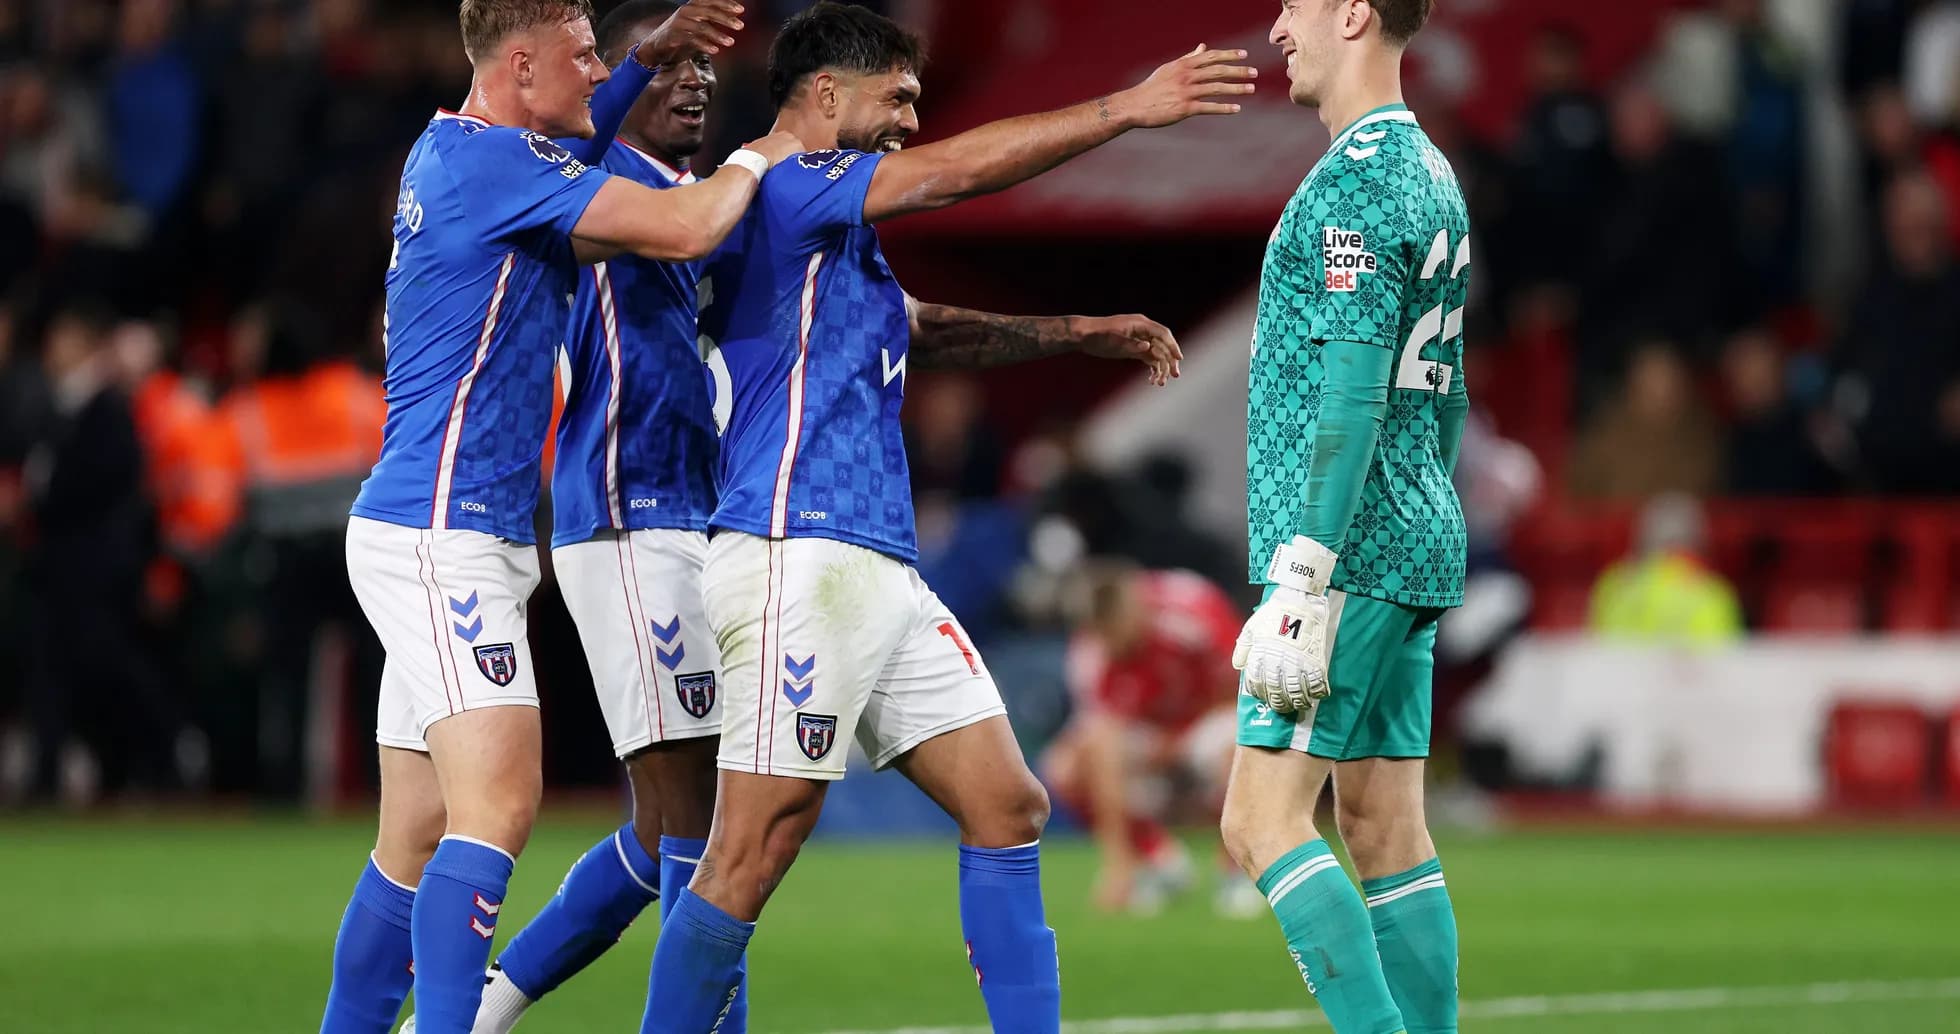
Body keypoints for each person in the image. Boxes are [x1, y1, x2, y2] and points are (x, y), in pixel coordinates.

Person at [637, 5, 1253, 1032]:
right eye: (897, 95)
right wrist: (1126, 109)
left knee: (1008, 803)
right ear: (825, 94)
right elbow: (954, 175)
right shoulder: (788, 182)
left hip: (874, 562)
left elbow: (926, 329)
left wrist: (1076, 330)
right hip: (798, 549)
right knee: (751, 849)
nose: (912, 119)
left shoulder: (836, 238)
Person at [317, 1, 801, 1031]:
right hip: (445, 537)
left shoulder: (459, 150)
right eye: (585, 57)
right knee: (499, 806)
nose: (599, 74)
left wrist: (647, 53)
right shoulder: (499, 168)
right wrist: (771, 147)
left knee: (415, 836)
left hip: (437, 526)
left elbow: (577, 136)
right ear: (522, 65)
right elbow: (688, 226)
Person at [465, 3, 750, 1031]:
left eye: (704, 69)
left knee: (665, 831)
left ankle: (483, 1007)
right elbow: (576, 146)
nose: (694, 82)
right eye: (670, 67)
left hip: (688, 515)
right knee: (700, 830)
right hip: (628, 513)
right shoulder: (592, 181)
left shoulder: (689, 197)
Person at [1221, 2, 1466, 1033]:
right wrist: (1420, 512)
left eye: (1295, 3)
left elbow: (1355, 391)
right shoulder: (1431, 171)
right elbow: (1447, 393)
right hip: (1410, 532)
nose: (1278, 27)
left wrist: (1306, 568)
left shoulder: (1357, 180)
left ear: (1355, 12)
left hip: (1348, 548)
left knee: (1259, 820)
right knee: (1382, 827)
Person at [1041, 563, 1254, 917]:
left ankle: (1237, 868)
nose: (1111, 643)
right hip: (1150, 735)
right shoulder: (1091, 653)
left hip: (1209, 718)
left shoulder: (1189, 613)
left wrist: (1179, 741)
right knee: (1067, 766)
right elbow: (1100, 737)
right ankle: (1158, 861)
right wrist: (1116, 864)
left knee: (1237, 741)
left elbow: (1245, 687)